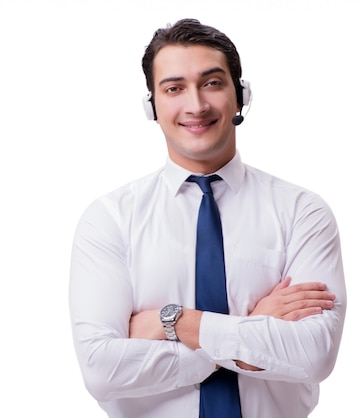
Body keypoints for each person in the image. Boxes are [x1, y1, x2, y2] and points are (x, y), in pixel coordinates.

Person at [69, 18, 346, 418]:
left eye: (213, 83)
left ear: (241, 96)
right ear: (153, 106)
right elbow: (100, 370)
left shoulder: (302, 212)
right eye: (174, 88)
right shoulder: (110, 219)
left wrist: (173, 323)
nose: (196, 105)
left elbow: (314, 356)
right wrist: (250, 330)